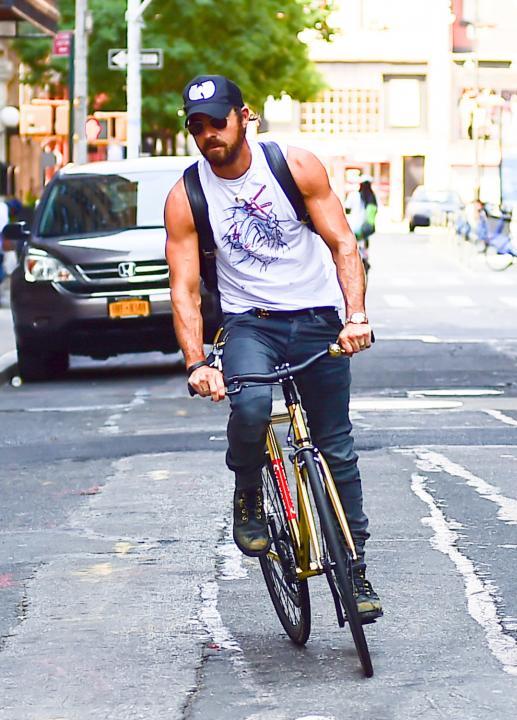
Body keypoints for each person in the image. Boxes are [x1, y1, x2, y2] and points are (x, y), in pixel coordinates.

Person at [164, 75, 382, 621]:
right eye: (197, 126)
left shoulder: (294, 166)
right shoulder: (186, 197)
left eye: (217, 121)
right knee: (252, 408)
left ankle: (354, 568)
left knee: (336, 446)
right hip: (250, 325)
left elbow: (343, 243)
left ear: (245, 117)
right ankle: (248, 490)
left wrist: (355, 316)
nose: (209, 134)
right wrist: (196, 363)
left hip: (317, 318)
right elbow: (184, 288)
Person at [345, 175, 378, 275]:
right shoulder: (372, 197)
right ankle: (365, 260)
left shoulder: (353, 195)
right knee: (364, 244)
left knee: (351, 247)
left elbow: (347, 209)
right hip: (364, 228)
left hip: (353, 227)